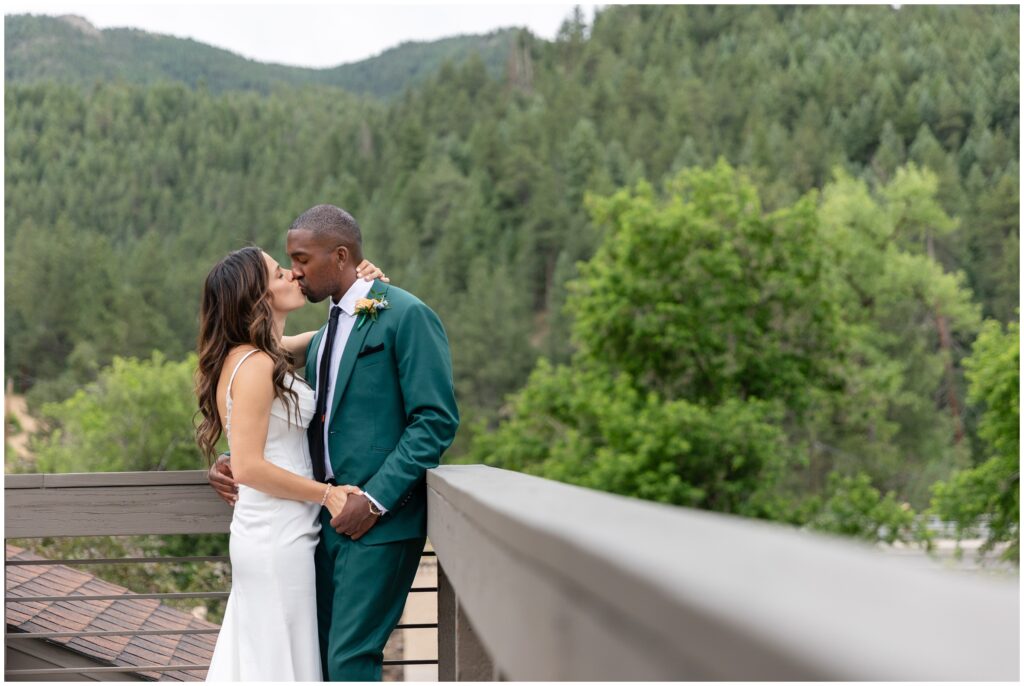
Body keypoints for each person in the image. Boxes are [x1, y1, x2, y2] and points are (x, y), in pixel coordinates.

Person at [208, 204, 460, 681]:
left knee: (348, 660)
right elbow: (263, 399)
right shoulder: (324, 335)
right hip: (316, 526)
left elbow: (435, 421)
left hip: (378, 521)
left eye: (300, 259)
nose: (294, 272)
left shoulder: (405, 315)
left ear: (339, 256)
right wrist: (234, 456)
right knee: (316, 659)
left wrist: (375, 499)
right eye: (286, 264)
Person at [195, 246, 385, 680]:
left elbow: (329, 339)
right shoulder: (256, 364)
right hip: (274, 537)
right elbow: (248, 467)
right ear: (258, 296)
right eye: (281, 274)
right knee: (279, 663)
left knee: (274, 659)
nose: (294, 276)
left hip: (284, 530)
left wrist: (362, 289)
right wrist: (328, 494)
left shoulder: (266, 354)